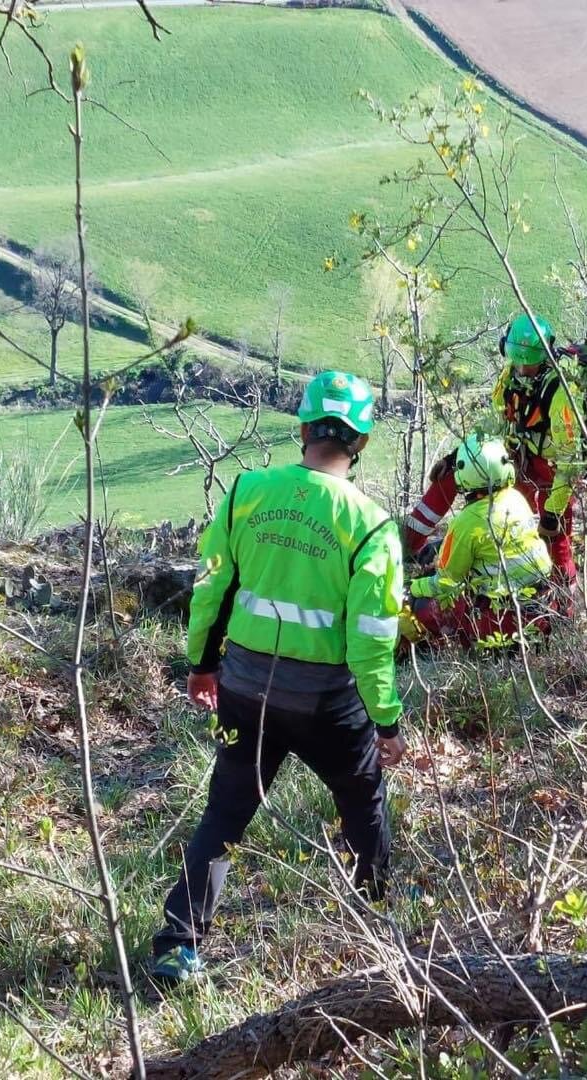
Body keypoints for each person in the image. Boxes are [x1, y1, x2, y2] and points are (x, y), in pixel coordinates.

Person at [151, 370, 406, 984]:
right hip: (328, 703)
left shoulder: (246, 492)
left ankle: (178, 945)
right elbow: (373, 641)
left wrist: (201, 665)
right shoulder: (371, 525)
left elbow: (212, 589)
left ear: (301, 429)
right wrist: (387, 721)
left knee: (226, 813)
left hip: (244, 691)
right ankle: (377, 912)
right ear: (362, 442)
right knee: (362, 798)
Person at [402, 313, 585, 588]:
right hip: (516, 456)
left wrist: (552, 512)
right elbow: (492, 423)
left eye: (529, 364)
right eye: (518, 360)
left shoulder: (560, 393)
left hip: (552, 467)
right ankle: (408, 546)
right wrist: (457, 457)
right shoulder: (510, 375)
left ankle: (564, 604)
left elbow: (571, 461)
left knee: (556, 534)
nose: (522, 369)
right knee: (452, 475)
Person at [406, 435, 554, 649]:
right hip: (540, 612)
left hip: (500, 624)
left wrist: (414, 588)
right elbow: (493, 541)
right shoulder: (517, 499)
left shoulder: (466, 522)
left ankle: (437, 649)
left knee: (423, 605)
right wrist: (442, 544)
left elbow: (446, 584)